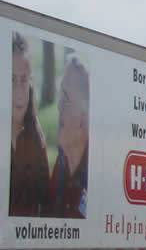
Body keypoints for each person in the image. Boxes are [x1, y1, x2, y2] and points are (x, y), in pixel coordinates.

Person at [9, 32, 50, 217]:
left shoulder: (35, 138)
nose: (18, 91)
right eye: (11, 80)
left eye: (23, 80)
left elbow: (45, 203)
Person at [46, 58, 89, 218]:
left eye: (67, 98)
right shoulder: (61, 165)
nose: (59, 105)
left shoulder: (95, 180)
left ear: (84, 119)